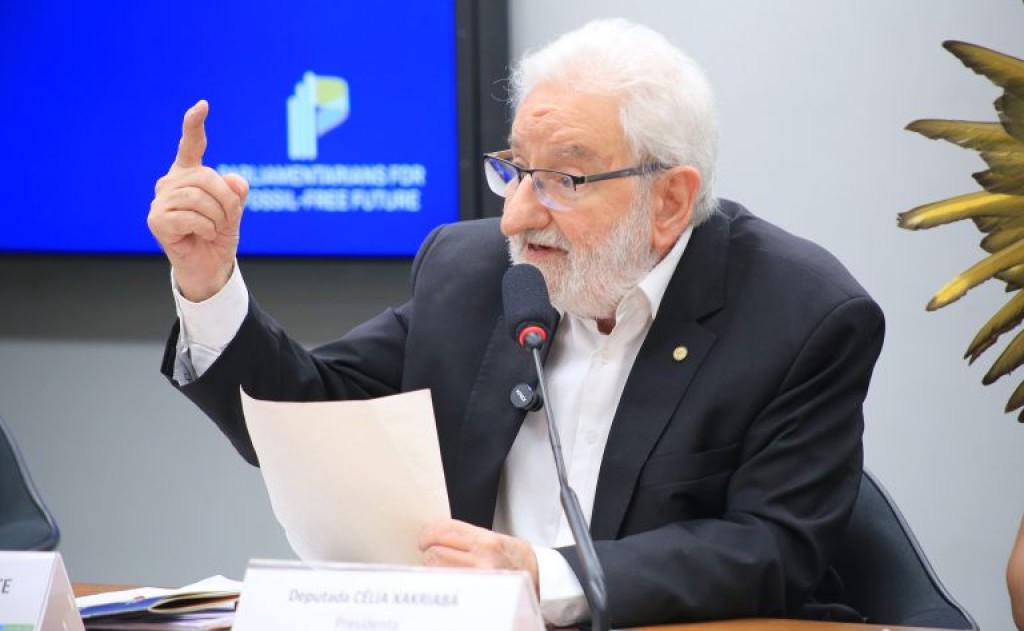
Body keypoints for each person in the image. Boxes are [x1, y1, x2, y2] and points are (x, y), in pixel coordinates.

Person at [148, 18, 885, 628]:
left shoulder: (802, 315)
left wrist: (544, 573)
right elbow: (307, 417)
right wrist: (208, 281)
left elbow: (772, 547)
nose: (518, 216)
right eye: (516, 169)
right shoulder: (473, 270)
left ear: (669, 201)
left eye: (563, 179)